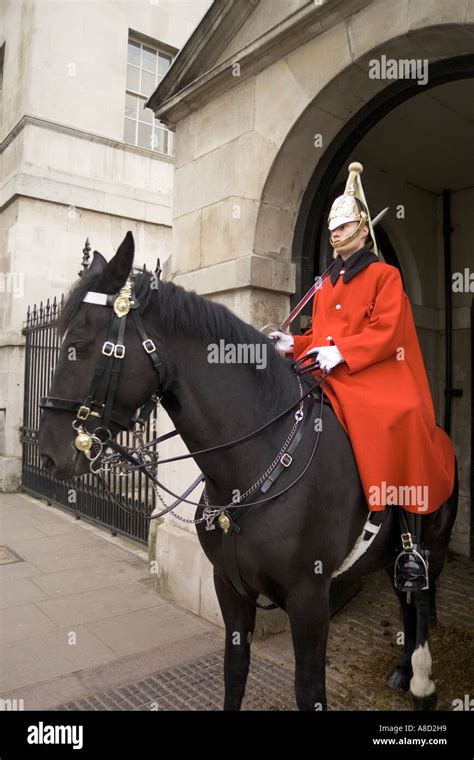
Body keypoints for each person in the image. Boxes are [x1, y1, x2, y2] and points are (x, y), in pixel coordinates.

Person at [271, 162, 456, 591]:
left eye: (345, 226)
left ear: (363, 230)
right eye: (333, 229)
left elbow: (387, 331)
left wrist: (344, 352)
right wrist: (292, 345)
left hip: (376, 370)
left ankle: (408, 541)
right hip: (330, 370)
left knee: (402, 415)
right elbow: (318, 334)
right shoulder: (328, 282)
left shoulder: (384, 275)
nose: (336, 234)